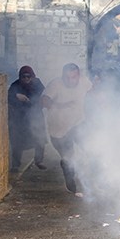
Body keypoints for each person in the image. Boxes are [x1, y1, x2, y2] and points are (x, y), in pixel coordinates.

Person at [42, 63, 93, 197]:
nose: (71, 81)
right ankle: (71, 183)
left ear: (78, 76)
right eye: (67, 78)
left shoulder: (84, 82)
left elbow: (92, 92)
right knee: (68, 157)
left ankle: (100, 180)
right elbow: (44, 100)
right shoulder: (55, 84)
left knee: (91, 148)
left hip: (78, 124)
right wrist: (58, 105)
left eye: (73, 77)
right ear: (63, 76)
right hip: (59, 130)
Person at [7, 65, 47, 172]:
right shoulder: (15, 85)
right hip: (20, 118)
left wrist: (31, 102)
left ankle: (39, 160)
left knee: (39, 138)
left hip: (35, 115)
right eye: (23, 77)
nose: (26, 79)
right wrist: (16, 96)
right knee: (17, 141)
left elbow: (43, 97)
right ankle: (15, 164)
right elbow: (8, 97)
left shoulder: (37, 84)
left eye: (28, 77)